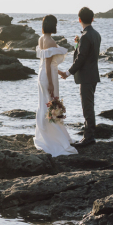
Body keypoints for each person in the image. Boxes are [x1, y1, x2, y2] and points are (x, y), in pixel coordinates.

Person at [34, 15, 78, 157]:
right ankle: (55, 139)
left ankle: (45, 135)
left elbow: (49, 63)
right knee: (51, 106)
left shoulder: (41, 39)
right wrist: (51, 83)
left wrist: (60, 72)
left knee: (44, 105)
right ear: (53, 25)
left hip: (42, 75)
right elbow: (48, 64)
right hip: (48, 76)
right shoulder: (50, 41)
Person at [58, 7, 102, 147]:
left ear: (79, 19)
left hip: (86, 76)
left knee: (87, 107)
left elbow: (81, 58)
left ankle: (89, 137)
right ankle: (89, 135)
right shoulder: (96, 34)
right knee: (89, 106)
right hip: (93, 75)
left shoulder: (85, 36)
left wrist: (67, 73)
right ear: (92, 19)